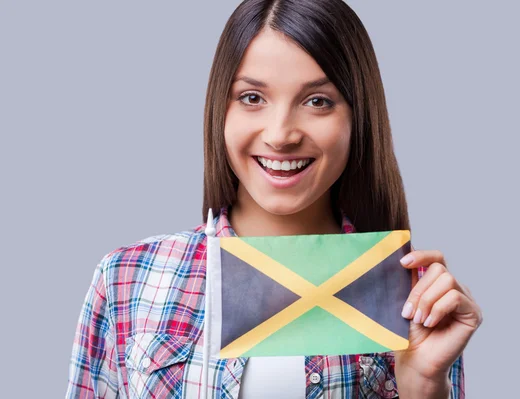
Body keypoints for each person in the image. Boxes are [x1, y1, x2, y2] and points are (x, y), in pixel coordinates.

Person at [66, 0, 483, 398]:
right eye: (252, 98)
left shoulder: (411, 297)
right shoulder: (127, 278)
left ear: (358, 117)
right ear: (220, 109)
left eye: (317, 101)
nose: (281, 134)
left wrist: (423, 388)